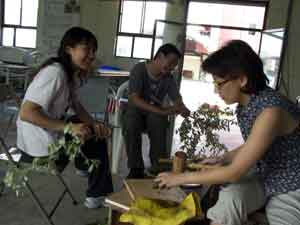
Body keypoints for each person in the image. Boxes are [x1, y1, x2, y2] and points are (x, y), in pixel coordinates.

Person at [155, 40, 300, 225]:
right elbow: (254, 145)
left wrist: (179, 178)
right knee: (228, 202)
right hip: (267, 176)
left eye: (219, 83)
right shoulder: (247, 105)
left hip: (293, 183)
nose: (216, 91)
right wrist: (223, 158)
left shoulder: (271, 111)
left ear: (242, 79)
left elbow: (234, 173)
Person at [17, 27, 113, 209]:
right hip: (38, 149)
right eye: (87, 49)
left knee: (90, 128)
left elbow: (76, 106)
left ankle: (86, 169)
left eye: (94, 50)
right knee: (87, 132)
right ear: (69, 48)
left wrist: (95, 123)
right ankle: (96, 191)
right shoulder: (55, 73)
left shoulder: (70, 75)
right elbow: (27, 113)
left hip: (49, 138)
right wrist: (70, 128)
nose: (92, 55)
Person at [123, 43, 190, 179]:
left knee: (158, 120)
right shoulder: (139, 69)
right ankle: (136, 168)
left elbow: (176, 99)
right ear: (159, 56)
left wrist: (182, 108)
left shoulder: (167, 78)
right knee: (131, 120)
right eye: (170, 63)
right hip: (136, 112)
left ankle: (158, 166)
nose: (171, 68)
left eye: (174, 66)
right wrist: (163, 111)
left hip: (152, 116)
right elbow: (134, 99)